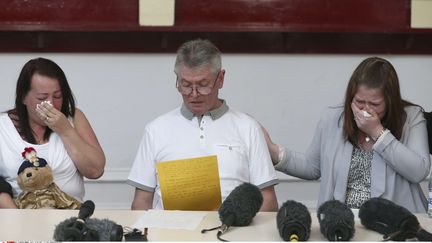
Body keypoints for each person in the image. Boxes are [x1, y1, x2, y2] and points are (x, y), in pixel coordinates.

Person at [263, 57, 430, 213]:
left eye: (375, 104)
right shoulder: (333, 117)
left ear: (390, 101)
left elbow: (418, 171)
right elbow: (312, 167)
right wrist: (275, 152)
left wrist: (378, 133)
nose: (366, 110)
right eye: (359, 102)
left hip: (394, 225)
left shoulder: (410, 117)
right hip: (342, 223)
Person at [127, 39, 278, 211]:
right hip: (170, 232)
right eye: (185, 85)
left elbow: (268, 201)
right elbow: (141, 202)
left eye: (203, 85)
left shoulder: (248, 127)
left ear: (220, 79)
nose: (194, 94)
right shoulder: (155, 129)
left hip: (232, 231)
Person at [0, 57, 105, 208]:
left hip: (71, 220)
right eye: (42, 98)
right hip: (18, 218)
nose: (51, 104)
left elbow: (95, 171)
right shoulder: (3, 126)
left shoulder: (74, 118)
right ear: (23, 97)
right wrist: (15, 214)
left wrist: (66, 131)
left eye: (57, 96)